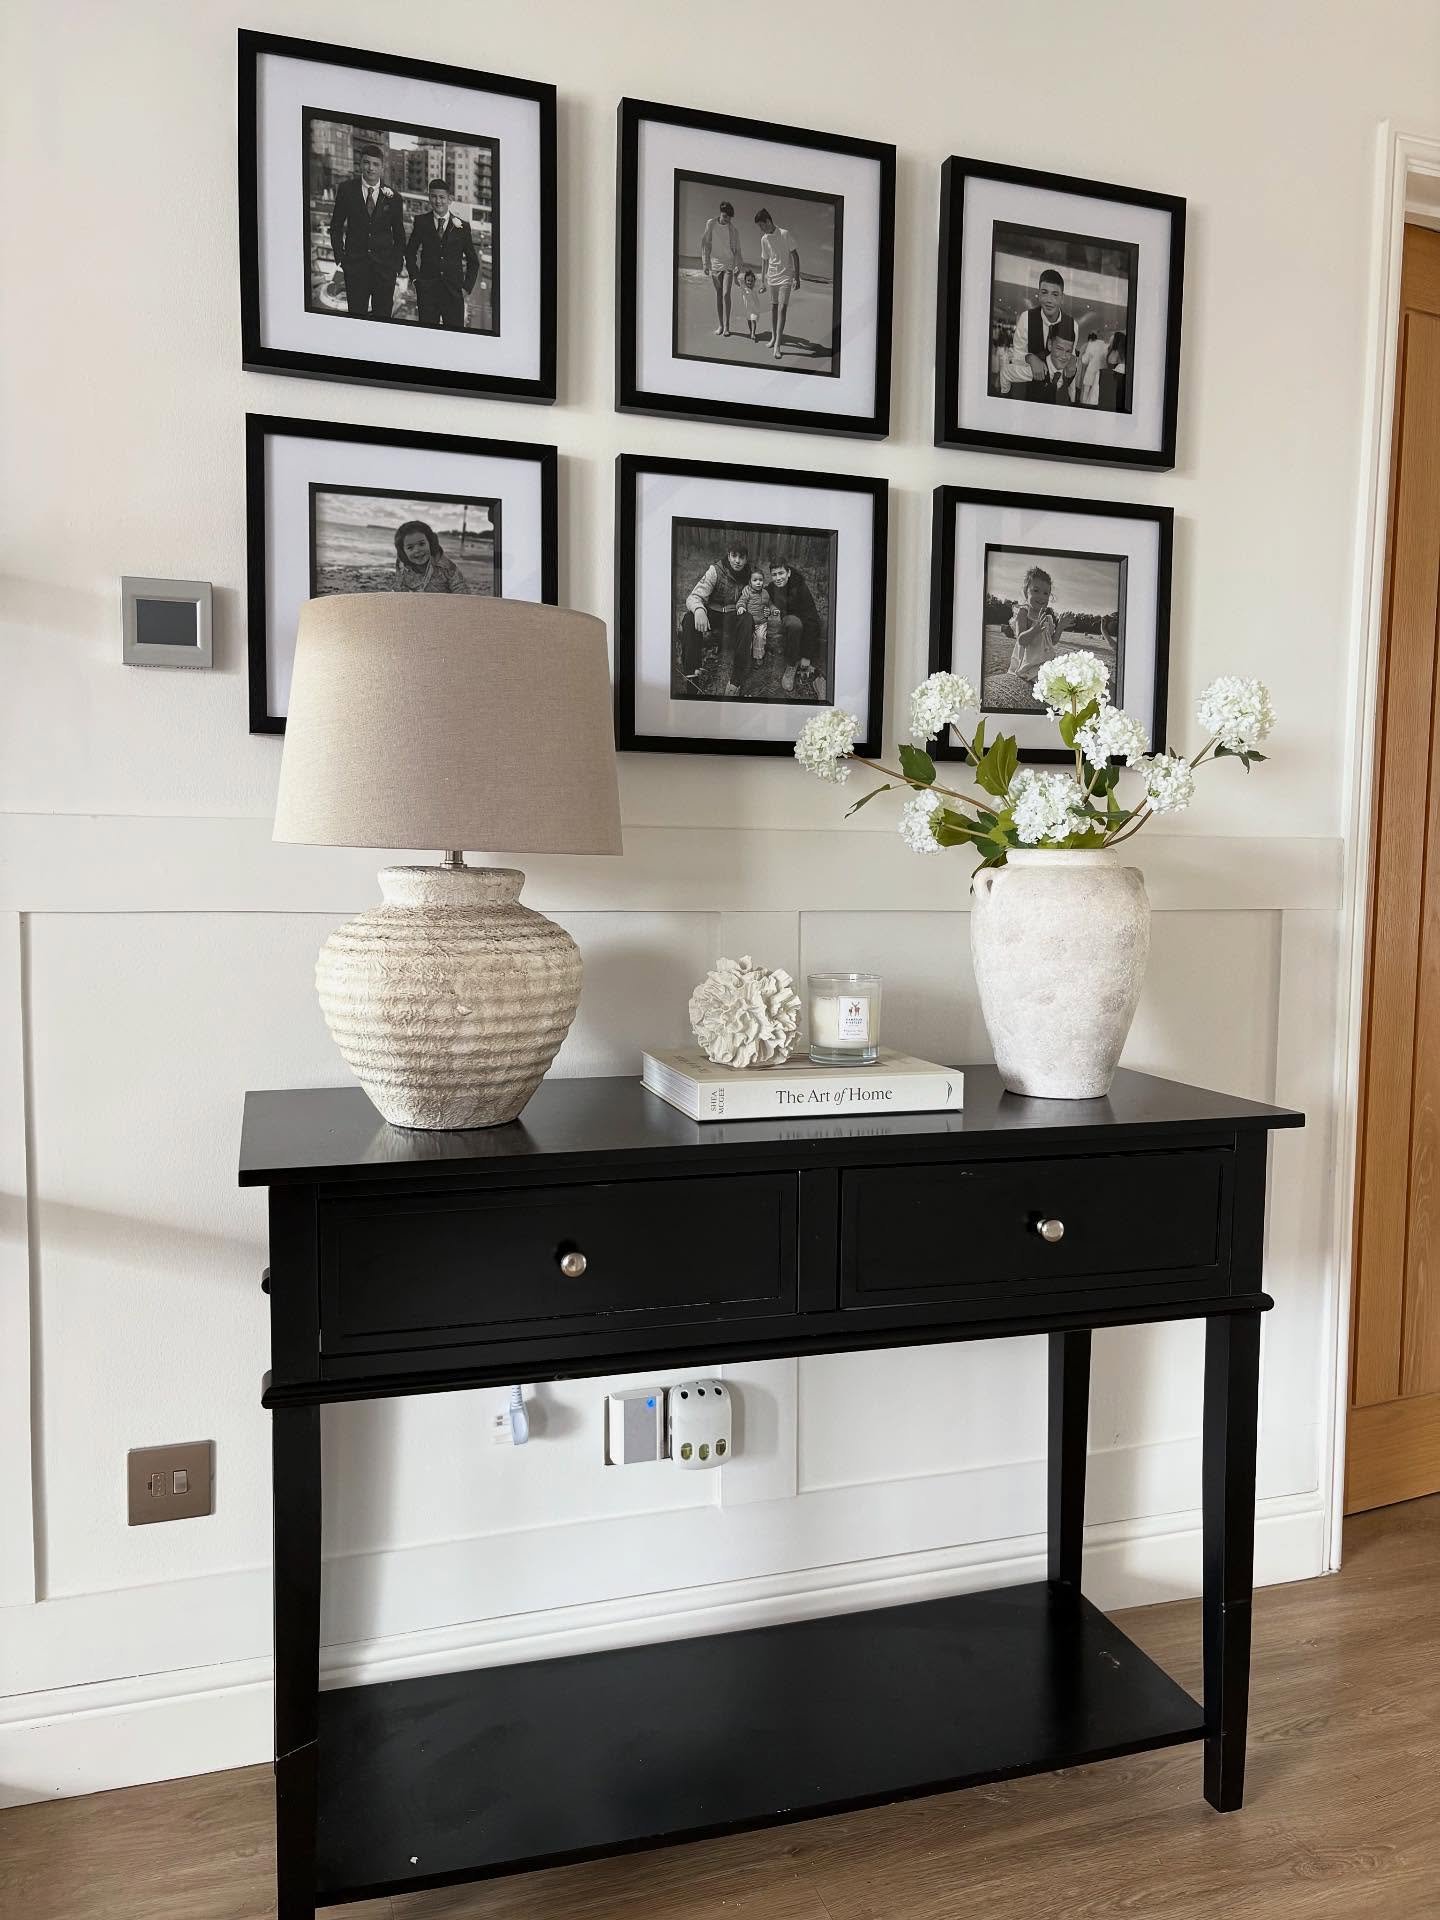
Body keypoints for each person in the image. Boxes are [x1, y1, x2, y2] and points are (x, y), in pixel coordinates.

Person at [328, 141, 408, 320]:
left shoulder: (394, 198)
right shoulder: (347, 190)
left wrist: (395, 266)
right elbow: (336, 227)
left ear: (382, 168)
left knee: (382, 321)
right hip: (355, 270)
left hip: (384, 273)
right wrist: (341, 259)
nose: (370, 168)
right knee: (356, 320)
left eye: (375, 164)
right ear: (360, 164)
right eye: (366, 162)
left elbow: (400, 236)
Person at [404, 178, 480, 330]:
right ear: (429, 197)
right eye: (433, 196)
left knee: (454, 337)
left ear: (449, 199)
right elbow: (410, 253)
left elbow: (473, 262)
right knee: (426, 336)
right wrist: (415, 280)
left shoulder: (462, 227)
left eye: (442, 197)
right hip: (427, 294)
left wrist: (466, 288)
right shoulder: (421, 222)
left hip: (453, 295)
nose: (437, 201)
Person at [678, 543, 750, 691]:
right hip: (713, 613)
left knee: (748, 619)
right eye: (734, 556)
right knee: (689, 618)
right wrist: (699, 610)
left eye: (741, 557)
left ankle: (736, 680)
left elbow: (759, 597)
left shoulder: (751, 574)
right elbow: (694, 596)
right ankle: (692, 676)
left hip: (733, 615)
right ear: (728, 555)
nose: (737, 561)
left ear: (746, 559)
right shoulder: (715, 570)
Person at [1000, 266, 1072, 401]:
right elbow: (1016, 357)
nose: (1049, 300)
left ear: (1062, 297)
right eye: (1044, 292)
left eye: (1055, 294)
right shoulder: (1026, 318)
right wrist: (1030, 358)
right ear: (1038, 294)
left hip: (1056, 397)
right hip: (1027, 392)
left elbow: (1069, 366)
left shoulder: (1072, 325)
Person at [1007, 566, 1077, 683]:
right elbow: (1021, 640)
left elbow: (1052, 641)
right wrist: (1035, 629)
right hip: (1028, 666)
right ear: (1026, 592)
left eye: (1046, 593)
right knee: (1053, 685)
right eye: (1036, 591)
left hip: (1045, 663)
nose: (1041, 596)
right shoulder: (1024, 613)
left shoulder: (1047, 618)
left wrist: (1060, 627)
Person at [767, 559, 825, 691]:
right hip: (786, 623)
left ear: (788, 573)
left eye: (781, 573)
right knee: (793, 622)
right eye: (774, 574)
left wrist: (806, 656)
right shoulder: (771, 587)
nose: (778, 578)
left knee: (795, 623)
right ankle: (791, 661)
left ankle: (792, 664)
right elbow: (760, 592)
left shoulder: (800, 588)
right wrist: (770, 605)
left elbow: (812, 619)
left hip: (801, 623)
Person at [755, 209, 801, 361]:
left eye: (762, 226)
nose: (761, 229)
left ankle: (777, 346)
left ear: (768, 221)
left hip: (786, 277)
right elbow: (764, 261)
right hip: (772, 277)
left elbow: (795, 255)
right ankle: (774, 337)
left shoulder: (784, 234)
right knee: (774, 307)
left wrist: (797, 277)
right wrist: (762, 281)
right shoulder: (764, 239)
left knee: (782, 308)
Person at [699, 199, 743, 338]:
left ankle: (727, 326)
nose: (727, 220)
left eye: (729, 218)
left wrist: (738, 266)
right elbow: (705, 243)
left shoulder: (734, 230)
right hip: (715, 264)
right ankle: (721, 325)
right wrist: (705, 263)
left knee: (725, 294)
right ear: (720, 213)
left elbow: (738, 250)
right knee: (718, 295)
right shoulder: (710, 223)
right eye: (725, 216)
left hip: (729, 264)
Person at [392, 520, 468, 592]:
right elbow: (399, 586)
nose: (417, 550)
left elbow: (460, 588)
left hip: (443, 602)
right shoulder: (402, 564)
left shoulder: (446, 566)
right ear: (403, 551)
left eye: (421, 544)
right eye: (410, 547)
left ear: (430, 543)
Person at [1079, 328, 1110, 407]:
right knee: (1097, 396)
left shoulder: (1091, 344)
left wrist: (1083, 357)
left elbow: (1084, 360)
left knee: (1085, 395)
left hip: (1091, 373)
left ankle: (1083, 409)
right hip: (1102, 375)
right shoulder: (1107, 346)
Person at [1099, 331, 1128, 411]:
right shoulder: (1121, 352)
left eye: (1112, 339)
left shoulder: (1115, 352)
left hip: (1111, 381)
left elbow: (1110, 363)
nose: (1111, 340)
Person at [736, 268, 762, 343]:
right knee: (749, 320)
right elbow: (737, 283)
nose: (750, 282)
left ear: (754, 281)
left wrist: (763, 289)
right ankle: (751, 331)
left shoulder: (755, 288)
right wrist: (735, 276)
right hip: (747, 309)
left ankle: (753, 333)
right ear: (745, 281)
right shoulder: (744, 289)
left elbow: (761, 290)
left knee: (753, 320)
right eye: (748, 280)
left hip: (755, 308)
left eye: (752, 281)